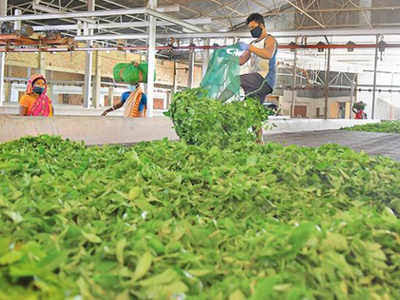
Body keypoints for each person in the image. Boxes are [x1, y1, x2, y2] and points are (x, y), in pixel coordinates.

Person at [220, 13, 278, 143]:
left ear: (262, 25)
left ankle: (216, 103)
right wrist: (228, 57)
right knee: (253, 115)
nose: (252, 30)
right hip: (255, 83)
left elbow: (268, 54)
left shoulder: (270, 40)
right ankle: (260, 143)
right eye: (250, 28)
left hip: (264, 79)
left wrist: (249, 47)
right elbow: (241, 60)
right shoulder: (253, 43)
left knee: (237, 80)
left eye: (253, 27)